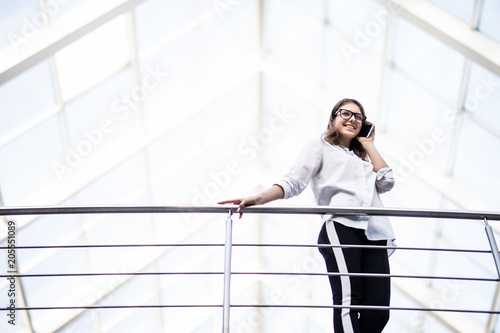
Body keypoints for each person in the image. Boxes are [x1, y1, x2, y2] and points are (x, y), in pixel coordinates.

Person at [218, 98, 395, 333]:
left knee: (379, 313)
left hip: (375, 233)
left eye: (359, 117)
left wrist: (368, 144)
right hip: (341, 227)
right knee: (349, 301)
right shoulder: (320, 146)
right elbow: (294, 182)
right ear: (333, 119)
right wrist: (257, 199)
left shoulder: (363, 159)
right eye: (345, 113)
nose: (352, 119)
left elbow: (387, 181)